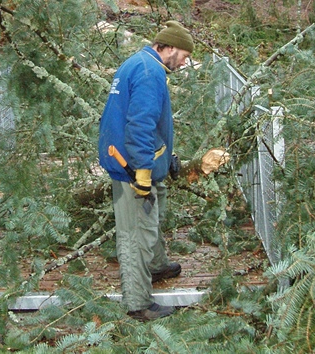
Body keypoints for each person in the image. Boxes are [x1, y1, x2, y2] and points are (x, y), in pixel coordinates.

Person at [98, 20, 194, 321]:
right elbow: (139, 125)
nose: (185, 62)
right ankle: (138, 303)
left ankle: (156, 265)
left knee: (153, 213)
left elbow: (149, 121)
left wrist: (167, 156)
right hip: (131, 166)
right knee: (136, 232)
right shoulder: (150, 72)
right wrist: (142, 171)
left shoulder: (138, 63)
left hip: (135, 160)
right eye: (185, 56)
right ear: (171, 48)